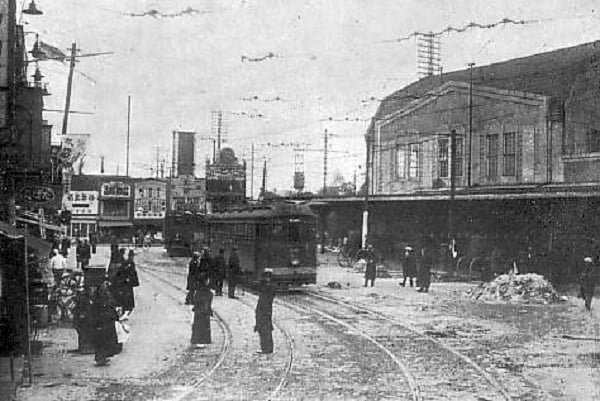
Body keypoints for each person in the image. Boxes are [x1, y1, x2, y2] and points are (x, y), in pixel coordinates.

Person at [89, 279, 119, 366]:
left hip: (102, 322)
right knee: (103, 341)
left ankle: (101, 357)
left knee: (102, 341)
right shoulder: (104, 298)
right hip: (104, 322)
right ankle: (101, 358)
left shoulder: (99, 297)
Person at [190, 274, 213, 349]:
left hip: (199, 311)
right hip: (203, 311)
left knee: (198, 325)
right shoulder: (206, 291)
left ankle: (197, 339)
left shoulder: (199, 291)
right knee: (202, 325)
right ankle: (202, 339)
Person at [254, 269, 275, 354]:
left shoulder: (269, 287)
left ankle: (267, 348)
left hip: (265, 309)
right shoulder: (268, 286)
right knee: (264, 328)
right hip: (265, 308)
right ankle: (267, 347)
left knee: (264, 328)